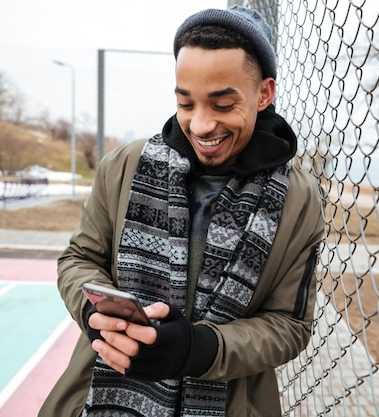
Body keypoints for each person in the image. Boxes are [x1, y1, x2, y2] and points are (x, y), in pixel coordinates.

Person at [39, 5, 324, 417]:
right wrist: (94, 314)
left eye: (223, 105)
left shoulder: (298, 199)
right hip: (99, 392)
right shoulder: (123, 166)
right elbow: (79, 260)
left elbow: (290, 325)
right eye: (186, 103)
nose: (201, 125)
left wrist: (199, 349)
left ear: (264, 94)